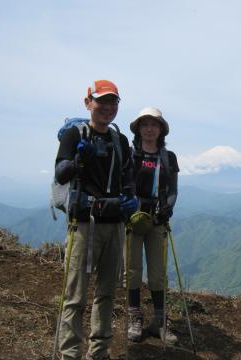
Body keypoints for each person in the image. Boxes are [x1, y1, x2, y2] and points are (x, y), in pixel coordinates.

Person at [54, 80, 137, 360]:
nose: (108, 107)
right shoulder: (74, 135)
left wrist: (130, 200)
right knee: (75, 295)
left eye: (113, 102)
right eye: (102, 101)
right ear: (88, 102)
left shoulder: (120, 140)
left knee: (106, 294)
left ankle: (99, 352)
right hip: (84, 224)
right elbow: (61, 173)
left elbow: (127, 177)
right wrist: (78, 159)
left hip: (114, 224)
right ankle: (70, 354)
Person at [126, 107, 179, 344]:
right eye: (145, 124)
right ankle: (134, 317)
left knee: (157, 274)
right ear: (138, 129)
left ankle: (160, 321)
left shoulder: (168, 158)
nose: (149, 129)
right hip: (132, 219)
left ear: (161, 130)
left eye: (154, 124)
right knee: (133, 271)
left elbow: (173, 190)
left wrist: (168, 207)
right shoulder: (129, 155)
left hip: (157, 220)